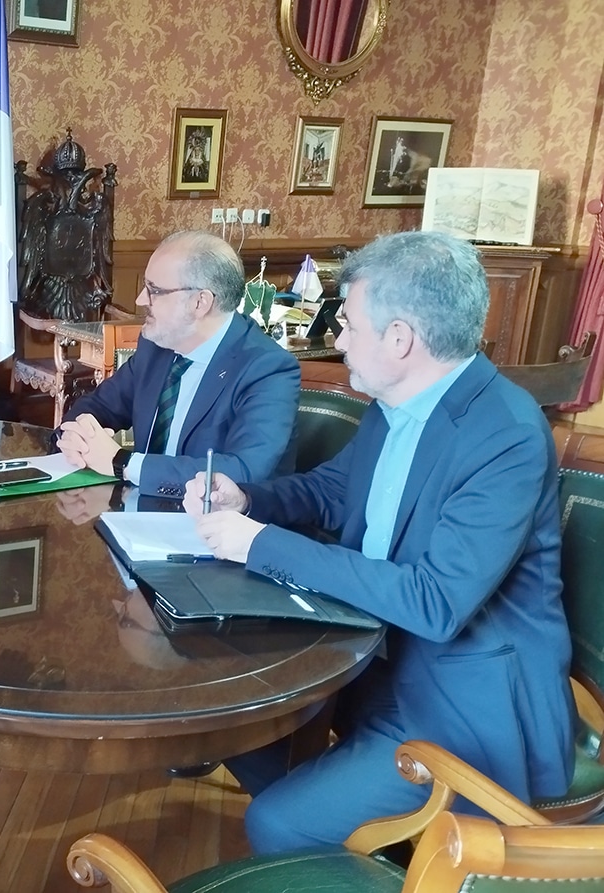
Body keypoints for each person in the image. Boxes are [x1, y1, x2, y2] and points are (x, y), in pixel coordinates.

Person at [183, 231, 574, 853]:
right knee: (230, 733)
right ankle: (375, 847)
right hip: (369, 658)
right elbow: (330, 492)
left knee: (276, 823)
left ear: (400, 339)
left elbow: (435, 604)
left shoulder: (507, 434)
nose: (338, 341)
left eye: (349, 326)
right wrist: (246, 498)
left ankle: (378, 850)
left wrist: (259, 543)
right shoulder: (396, 403)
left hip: (462, 707)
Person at [57, 231, 300, 498]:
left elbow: (243, 471)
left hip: (217, 527)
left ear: (200, 302)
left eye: (154, 291)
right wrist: (77, 437)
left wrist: (122, 463)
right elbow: (98, 406)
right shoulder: (156, 347)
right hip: (139, 514)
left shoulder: (267, 369)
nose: (140, 300)